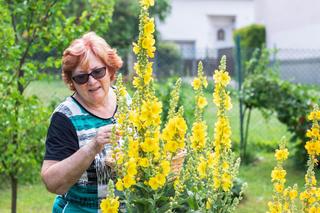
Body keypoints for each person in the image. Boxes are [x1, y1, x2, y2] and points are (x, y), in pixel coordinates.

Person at [41, 32, 123, 212]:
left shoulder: (126, 101)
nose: (92, 81)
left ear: (110, 70)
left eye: (98, 71)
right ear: (72, 82)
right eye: (81, 77)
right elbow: (52, 183)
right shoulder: (65, 116)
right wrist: (93, 146)